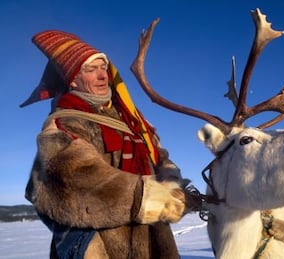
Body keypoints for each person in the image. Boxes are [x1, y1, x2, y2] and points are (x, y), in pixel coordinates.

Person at [21, 30, 199, 259]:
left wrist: (172, 183)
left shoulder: (132, 120)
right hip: (105, 246)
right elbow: (73, 179)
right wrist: (152, 198)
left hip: (153, 240)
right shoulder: (65, 122)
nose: (102, 75)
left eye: (103, 68)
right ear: (73, 79)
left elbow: (157, 155)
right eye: (90, 69)